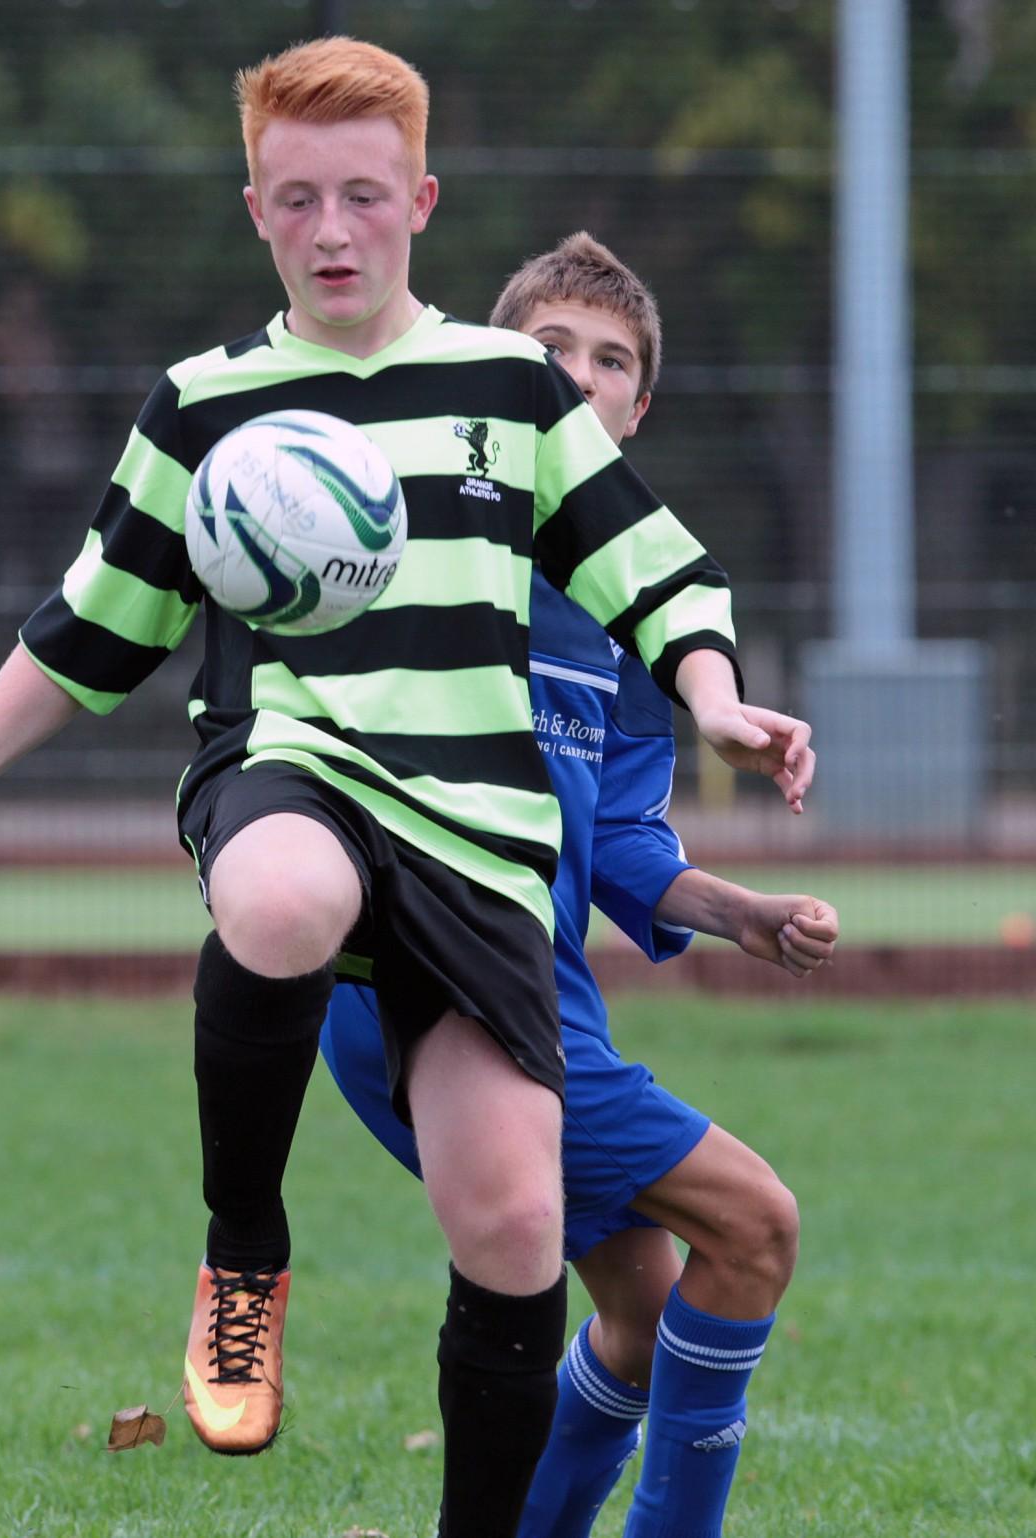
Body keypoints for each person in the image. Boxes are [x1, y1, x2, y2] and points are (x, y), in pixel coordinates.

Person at [0, 40, 815, 1538]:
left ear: (423, 204)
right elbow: (93, 628)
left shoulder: (510, 387)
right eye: (300, 198)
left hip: (484, 848)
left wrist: (719, 698)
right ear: (254, 206)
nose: (334, 231)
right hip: (293, 775)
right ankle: (243, 1254)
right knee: (280, 889)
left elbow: (653, 573)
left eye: (366, 198)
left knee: (518, 1223)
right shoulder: (205, 405)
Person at [320, 232, 838, 1538]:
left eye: (611, 361)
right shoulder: (427, 529)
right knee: (757, 1224)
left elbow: (615, 838)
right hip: (443, 990)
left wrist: (740, 912)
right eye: (552, 348)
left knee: (645, 1301)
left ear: (637, 406)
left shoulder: (632, 596)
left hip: (548, 997)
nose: (581, 375)